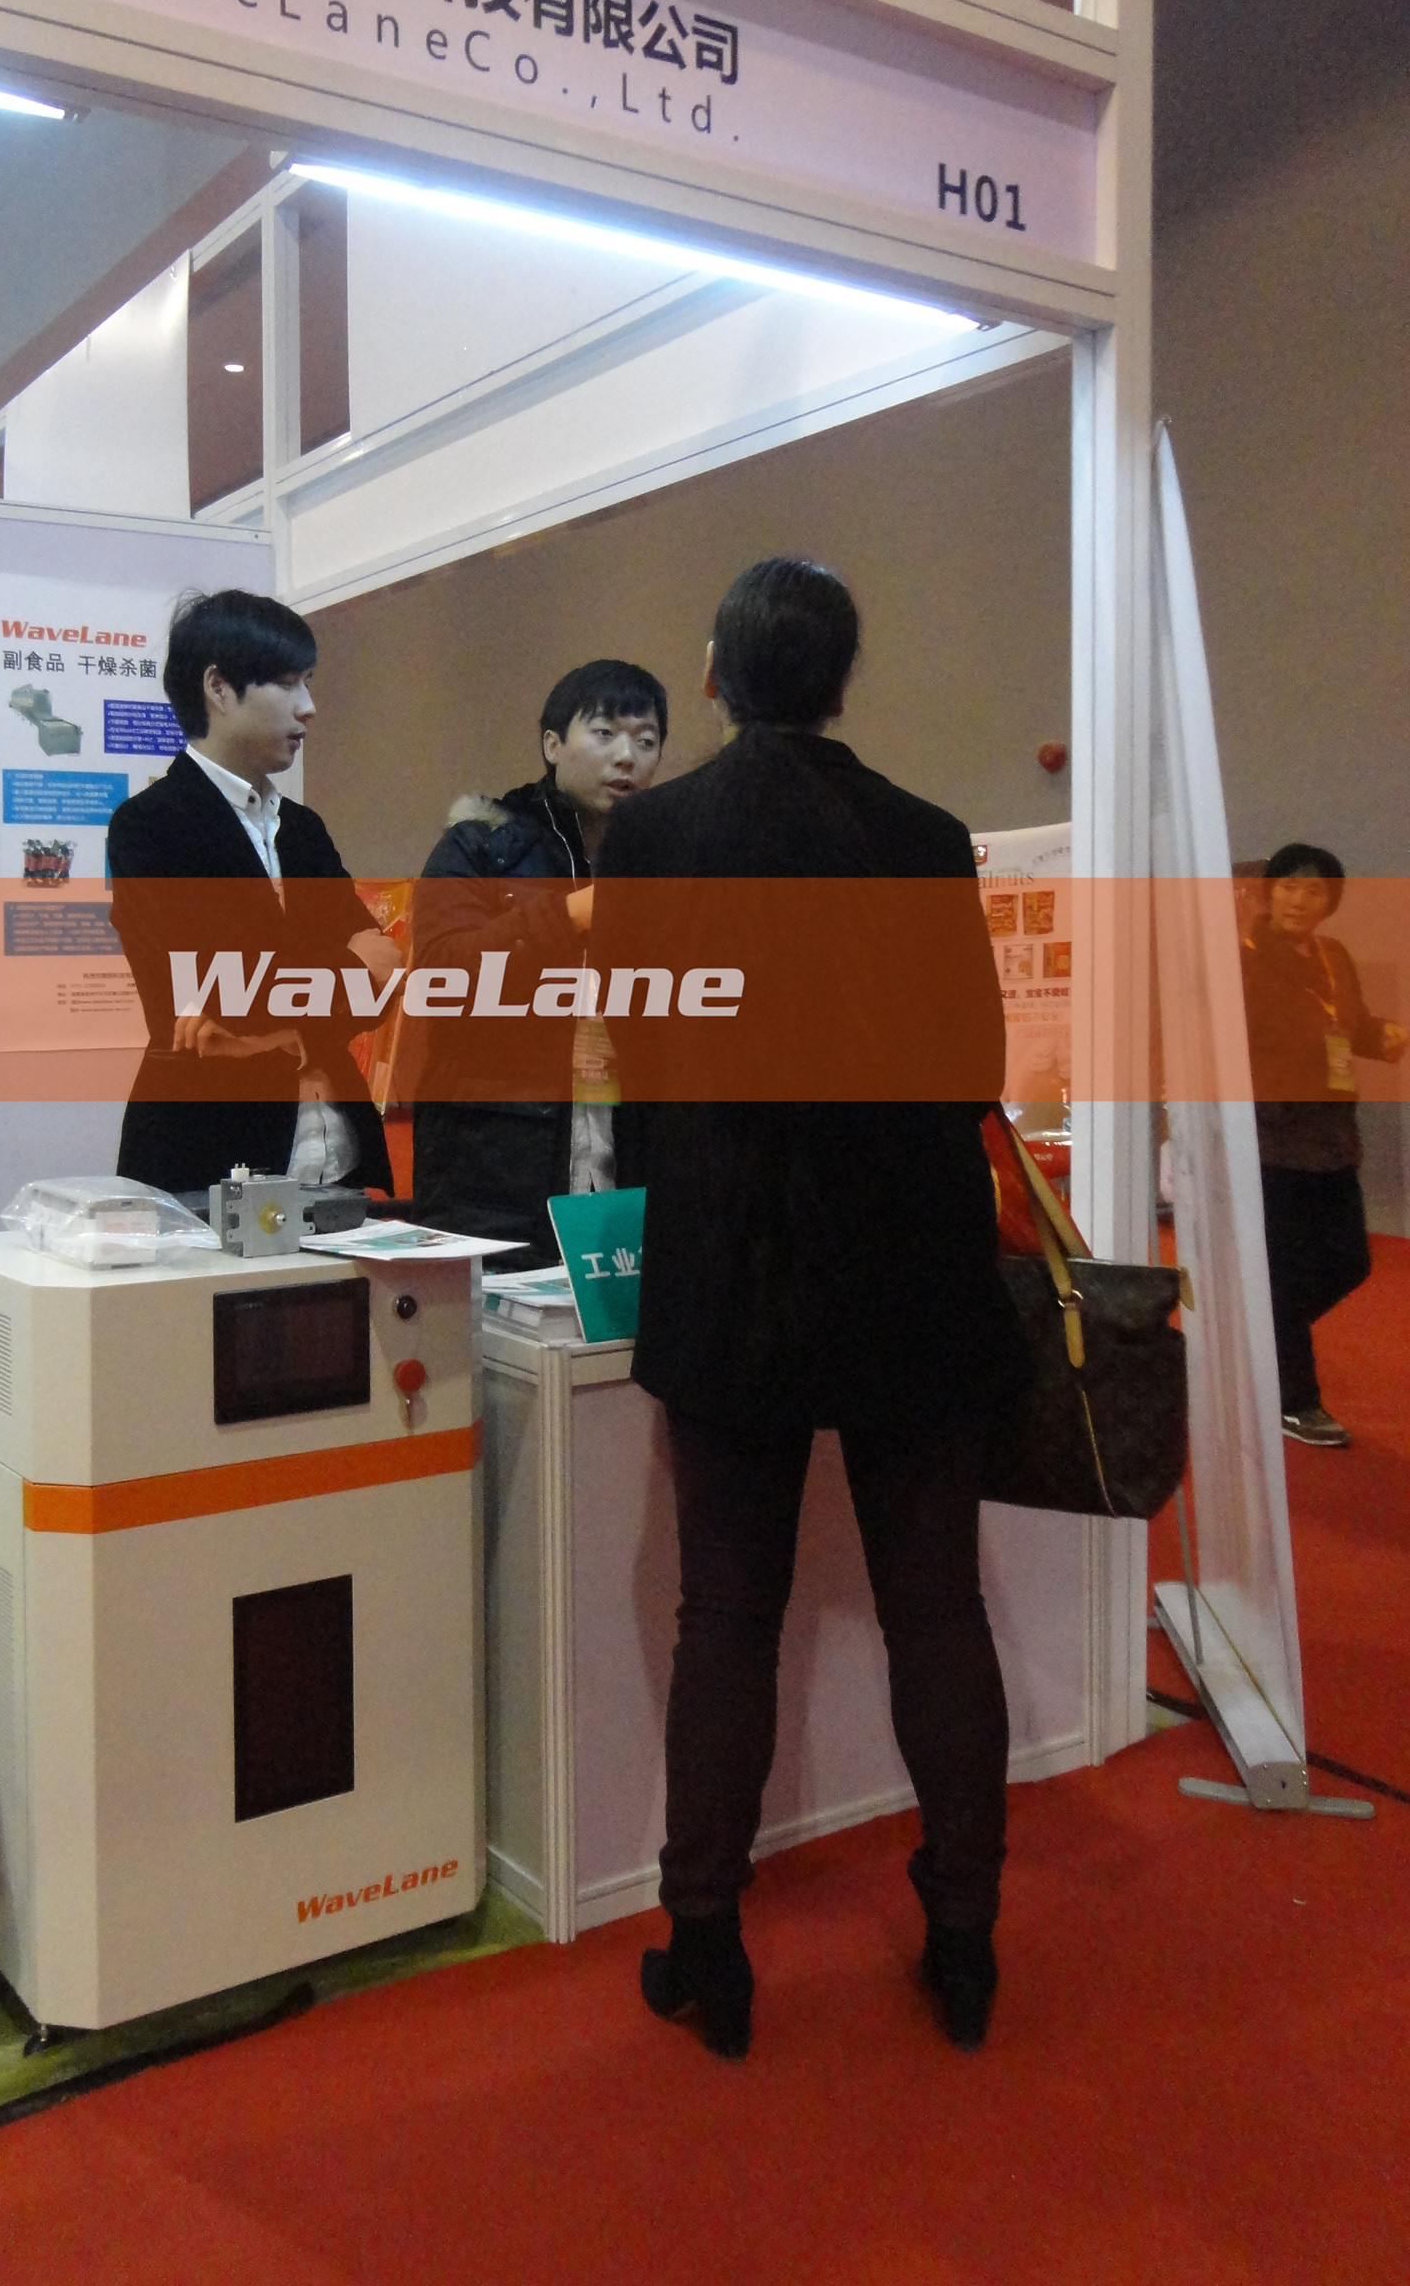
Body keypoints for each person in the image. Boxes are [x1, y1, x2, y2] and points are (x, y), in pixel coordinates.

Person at [594, 555, 1026, 2060]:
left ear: (715, 675)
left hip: (732, 1266)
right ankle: (964, 1939)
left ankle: (705, 1942)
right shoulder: (925, 837)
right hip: (914, 1267)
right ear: (843, 681)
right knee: (938, 1608)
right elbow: (972, 1065)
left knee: (726, 1615)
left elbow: (640, 1061)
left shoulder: (654, 836)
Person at [105, 588, 397, 1199]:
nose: (309, 707)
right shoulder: (151, 824)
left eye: (307, 682)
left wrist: (273, 1031)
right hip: (210, 1153)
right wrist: (330, 980)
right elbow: (219, 986)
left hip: (339, 1156)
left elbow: (384, 975)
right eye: (288, 684)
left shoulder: (303, 828)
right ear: (218, 687)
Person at [411, 660, 667, 1261]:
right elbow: (443, 979)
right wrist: (571, 915)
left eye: (646, 740)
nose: (626, 756)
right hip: (495, 1168)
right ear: (552, 744)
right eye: (605, 733)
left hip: (626, 1153)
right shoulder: (480, 846)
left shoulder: (666, 858)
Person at [1242, 843, 1404, 1449]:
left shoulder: (1334, 955)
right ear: (1270, 892)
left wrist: (1380, 1036)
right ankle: (1295, 1400)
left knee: (1348, 1262)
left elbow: (1346, 1022)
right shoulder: (1243, 959)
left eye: (1314, 890)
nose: (1299, 900)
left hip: (1332, 1136)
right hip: (1271, 1136)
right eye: (1288, 886)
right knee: (1285, 1270)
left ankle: (1257, 1339)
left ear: (1329, 901)